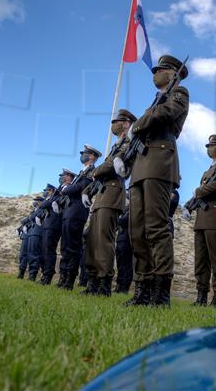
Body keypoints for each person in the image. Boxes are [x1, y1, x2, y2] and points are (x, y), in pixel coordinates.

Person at [117, 55, 189, 307]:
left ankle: (160, 293)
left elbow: (168, 114)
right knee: (137, 230)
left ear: (173, 73)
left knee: (157, 228)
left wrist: (137, 125)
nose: (155, 72)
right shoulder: (157, 100)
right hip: (140, 166)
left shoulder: (179, 93)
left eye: (160, 69)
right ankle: (143, 289)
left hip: (160, 161)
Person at [82, 109, 136, 296]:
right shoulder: (117, 144)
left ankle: (104, 284)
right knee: (92, 238)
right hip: (102, 195)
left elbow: (111, 165)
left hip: (113, 194)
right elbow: (108, 164)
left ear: (127, 123)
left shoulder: (128, 142)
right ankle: (92, 281)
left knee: (104, 240)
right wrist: (89, 191)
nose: (114, 123)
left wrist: (96, 172)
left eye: (118, 120)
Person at [188, 134, 216, 308]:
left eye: (212, 145)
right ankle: (201, 296)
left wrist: (199, 191)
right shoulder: (207, 171)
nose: (209, 148)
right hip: (201, 217)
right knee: (201, 260)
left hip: (215, 216)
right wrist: (189, 206)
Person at [57, 146, 101, 290]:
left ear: (93, 157)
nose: (83, 156)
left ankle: (69, 280)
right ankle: (62, 277)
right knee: (65, 246)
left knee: (73, 247)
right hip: (69, 212)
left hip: (77, 212)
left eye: (86, 154)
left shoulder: (91, 172)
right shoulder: (82, 172)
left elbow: (81, 187)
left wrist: (65, 189)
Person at [39, 174, 72, 285]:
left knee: (49, 250)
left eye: (64, 175)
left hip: (54, 225)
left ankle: (48, 275)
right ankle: (45, 274)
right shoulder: (58, 193)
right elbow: (44, 204)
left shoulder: (60, 193)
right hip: (49, 225)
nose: (62, 177)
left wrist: (49, 201)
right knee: (45, 250)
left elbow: (45, 204)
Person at [114, 202, 133, 294]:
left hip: (127, 239)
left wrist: (114, 218)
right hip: (121, 238)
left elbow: (124, 220)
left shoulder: (133, 208)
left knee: (126, 264)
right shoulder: (127, 209)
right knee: (120, 263)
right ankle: (119, 285)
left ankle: (124, 287)